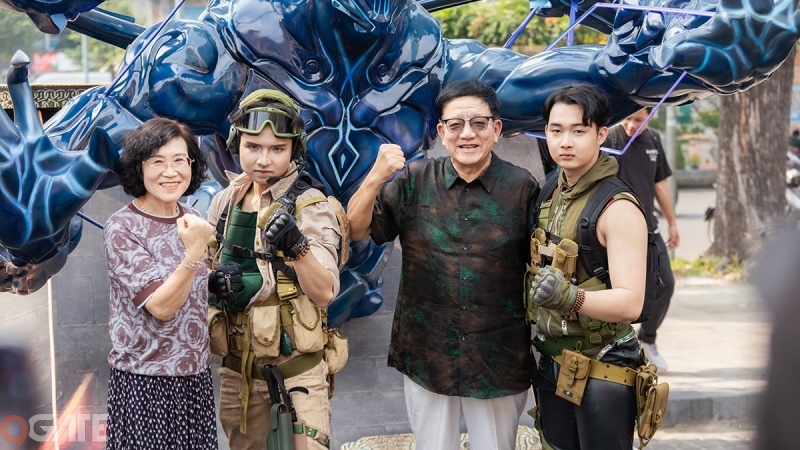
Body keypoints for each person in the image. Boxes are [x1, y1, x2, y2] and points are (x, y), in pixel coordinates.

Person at [347, 79, 540, 449]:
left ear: (496, 129)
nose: (467, 134)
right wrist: (375, 176)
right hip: (427, 352)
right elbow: (356, 230)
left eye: (479, 123)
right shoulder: (414, 181)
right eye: (455, 124)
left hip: (497, 355)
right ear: (441, 132)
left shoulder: (522, 187)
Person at [205, 89, 342, 450]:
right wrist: (213, 284)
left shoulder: (310, 205)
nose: (264, 159)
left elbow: (325, 292)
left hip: (297, 374)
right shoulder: (225, 202)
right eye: (253, 147)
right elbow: (203, 268)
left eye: (277, 149)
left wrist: (298, 248)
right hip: (239, 372)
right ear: (236, 144)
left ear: (293, 150)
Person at [528, 83, 648, 449]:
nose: (565, 141)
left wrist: (571, 298)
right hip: (552, 360)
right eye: (556, 130)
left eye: (579, 131)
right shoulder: (552, 191)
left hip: (604, 365)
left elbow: (630, 303)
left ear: (601, 134)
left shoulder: (617, 207)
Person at [103, 118, 217, 449]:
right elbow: (161, 307)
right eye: (157, 161)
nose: (170, 172)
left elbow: (190, 288)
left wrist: (215, 282)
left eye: (179, 160)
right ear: (138, 168)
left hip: (194, 378)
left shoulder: (192, 218)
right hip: (146, 382)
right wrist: (194, 254)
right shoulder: (122, 228)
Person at [605, 108, 678, 373]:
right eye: (628, 118)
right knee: (614, 289)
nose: (632, 124)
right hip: (616, 230)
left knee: (665, 283)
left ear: (651, 116)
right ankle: (615, 347)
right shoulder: (607, 137)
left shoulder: (654, 139)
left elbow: (660, 183)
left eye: (639, 119)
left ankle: (648, 339)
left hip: (649, 228)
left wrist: (672, 221)